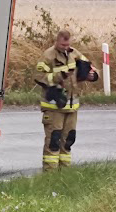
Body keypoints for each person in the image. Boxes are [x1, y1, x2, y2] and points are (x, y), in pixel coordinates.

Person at [34, 29, 97, 171]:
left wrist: (91, 75)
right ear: (57, 41)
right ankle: (50, 177)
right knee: (53, 142)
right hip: (54, 106)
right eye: (62, 45)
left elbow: (90, 68)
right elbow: (38, 76)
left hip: (71, 107)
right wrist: (59, 76)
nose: (65, 47)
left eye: (67, 45)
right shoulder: (48, 55)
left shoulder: (75, 54)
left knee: (68, 141)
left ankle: (65, 175)